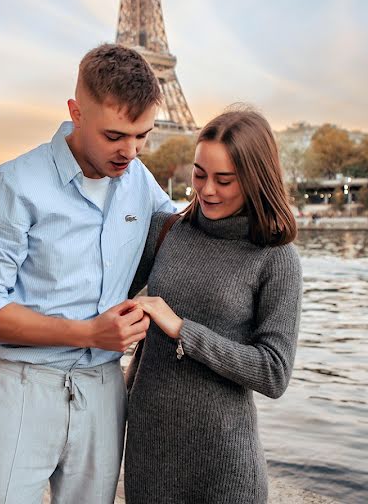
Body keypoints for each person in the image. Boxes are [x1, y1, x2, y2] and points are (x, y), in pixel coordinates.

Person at [0, 44, 175, 504]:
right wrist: (89, 333)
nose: (130, 152)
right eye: (115, 135)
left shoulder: (139, 178)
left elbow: (182, 236)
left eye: (143, 136)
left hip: (103, 390)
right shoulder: (13, 185)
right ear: (76, 112)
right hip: (21, 387)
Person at [124, 109, 303, 503]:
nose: (206, 190)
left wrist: (183, 330)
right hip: (148, 449)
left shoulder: (275, 257)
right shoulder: (167, 230)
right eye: (199, 173)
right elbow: (104, 298)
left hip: (223, 462)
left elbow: (274, 372)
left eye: (224, 180)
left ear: (256, 180)